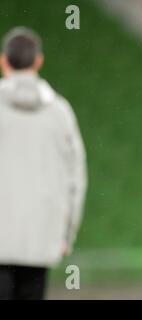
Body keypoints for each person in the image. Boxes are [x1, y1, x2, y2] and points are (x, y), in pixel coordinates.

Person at [0, 27, 87, 299]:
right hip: (41, 240)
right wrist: (66, 235)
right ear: (38, 61)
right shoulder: (59, 113)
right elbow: (77, 178)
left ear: (3, 61)